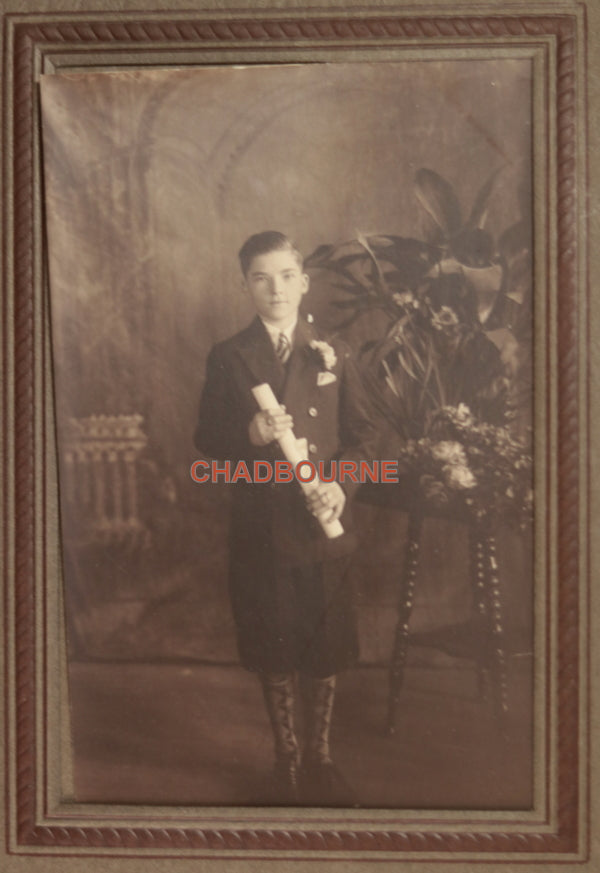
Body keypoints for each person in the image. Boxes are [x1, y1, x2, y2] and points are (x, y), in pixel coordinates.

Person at [194, 231, 378, 805]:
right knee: (273, 644)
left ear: (303, 282)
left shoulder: (333, 350)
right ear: (245, 285)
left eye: (285, 276)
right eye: (260, 278)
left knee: (325, 646)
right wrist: (249, 433)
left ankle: (321, 757)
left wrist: (341, 485)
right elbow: (207, 441)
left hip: (322, 524)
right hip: (263, 531)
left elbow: (367, 437)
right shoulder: (229, 355)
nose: (275, 289)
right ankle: (287, 759)